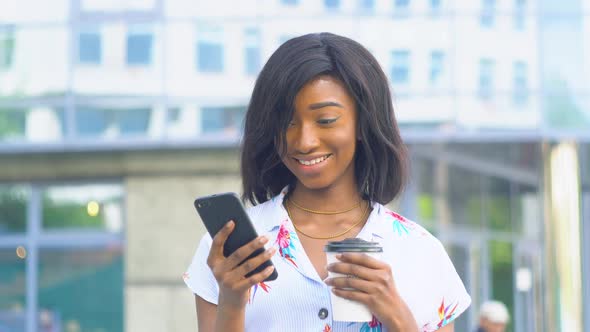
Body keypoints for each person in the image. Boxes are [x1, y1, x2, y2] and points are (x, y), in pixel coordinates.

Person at [183, 32, 471, 332]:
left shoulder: (419, 251)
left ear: (363, 122)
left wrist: (397, 315)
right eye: (286, 123)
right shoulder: (227, 249)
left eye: (326, 120)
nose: (305, 141)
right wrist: (232, 300)